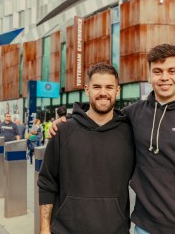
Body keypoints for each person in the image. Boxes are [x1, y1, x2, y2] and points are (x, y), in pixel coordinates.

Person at [50, 44, 175, 233]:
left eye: (172, 71)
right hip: (143, 227)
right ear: (149, 75)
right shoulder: (135, 113)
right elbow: (101, 115)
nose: (164, 78)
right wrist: (69, 120)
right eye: (157, 71)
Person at [38, 63, 135, 234]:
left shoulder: (131, 132)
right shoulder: (62, 130)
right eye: (97, 87)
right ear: (87, 89)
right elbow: (47, 182)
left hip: (115, 230)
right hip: (65, 230)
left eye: (109, 87)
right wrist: (44, 229)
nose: (103, 93)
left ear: (117, 91)